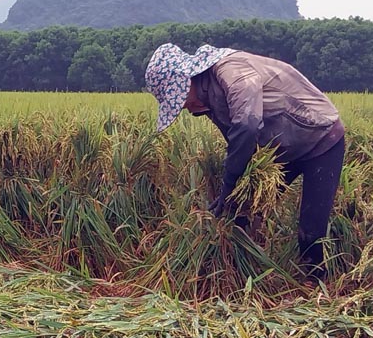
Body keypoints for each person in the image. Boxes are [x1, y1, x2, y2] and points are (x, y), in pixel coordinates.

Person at [145, 43, 346, 281]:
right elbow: (237, 146)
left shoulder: (231, 71)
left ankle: (316, 287)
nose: (184, 107)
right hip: (278, 150)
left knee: (310, 232)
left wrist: (230, 181)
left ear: (187, 80)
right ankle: (242, 277)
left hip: (320, 138)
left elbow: (247, 125)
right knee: (242, 213)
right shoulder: (206, 98)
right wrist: (229, 195)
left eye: (179, 100)